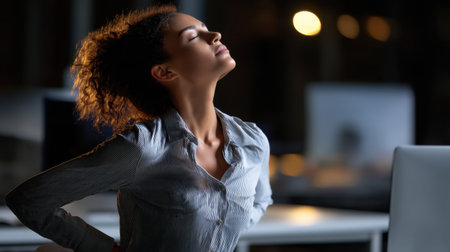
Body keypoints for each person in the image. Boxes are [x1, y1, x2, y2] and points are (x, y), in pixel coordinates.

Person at [5, 4, 272, 252]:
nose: (215, 35)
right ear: (165, 72)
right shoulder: (142, 148)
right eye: (193, 37)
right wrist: (106, 249)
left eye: (206, 28)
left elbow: (260, 201)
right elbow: (29, 200)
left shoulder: (253, 141)